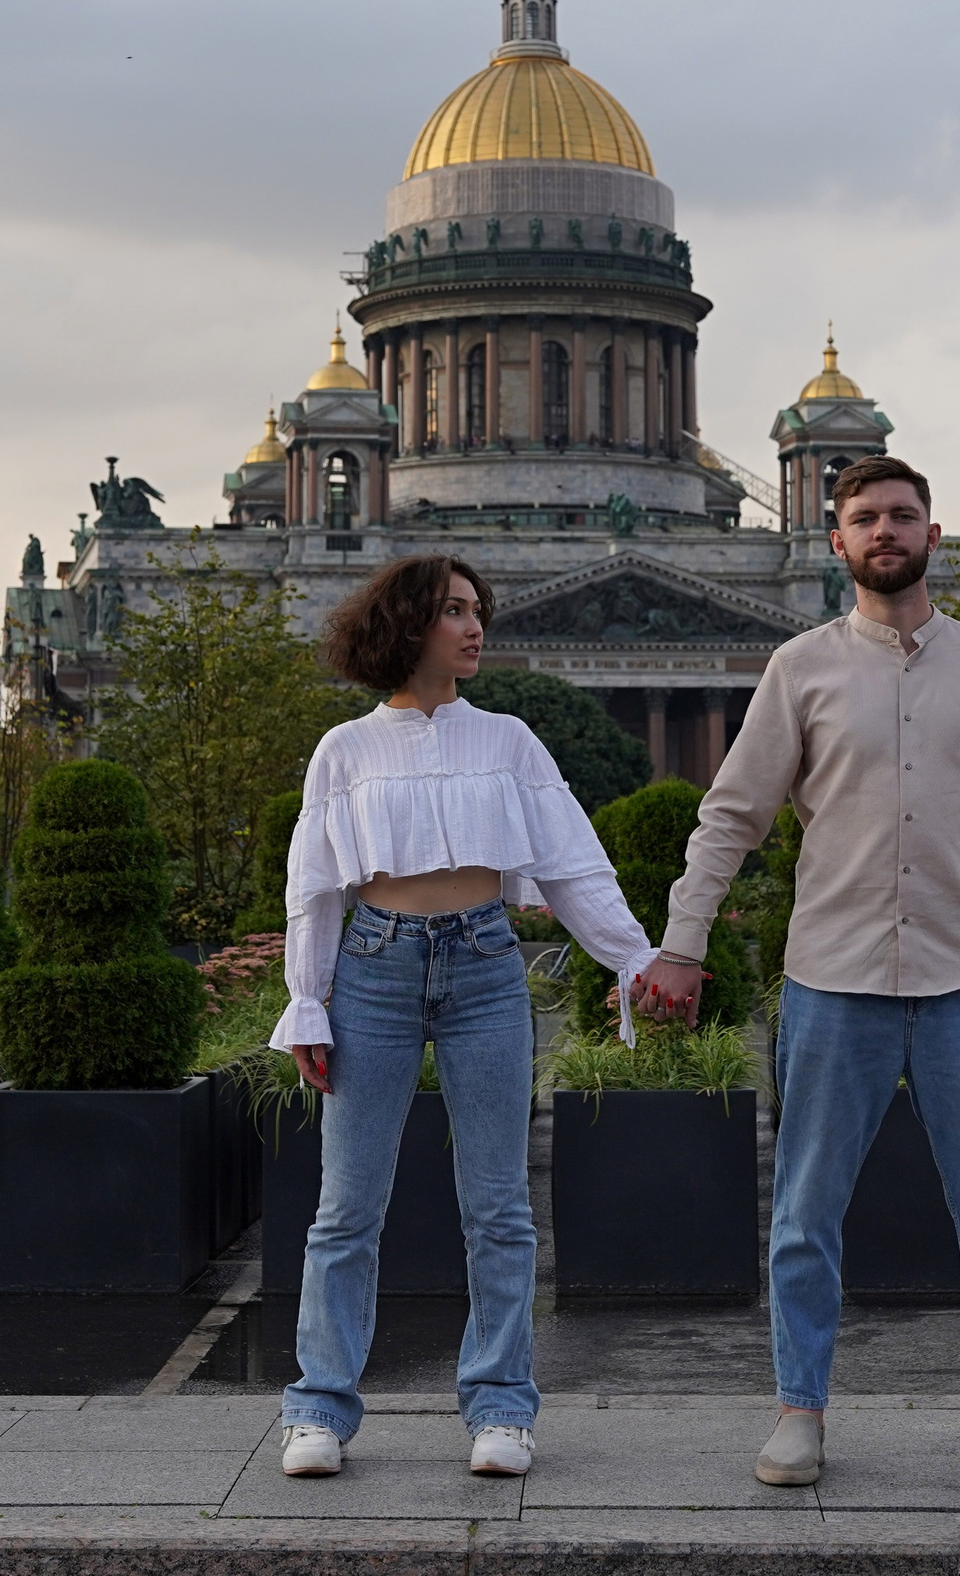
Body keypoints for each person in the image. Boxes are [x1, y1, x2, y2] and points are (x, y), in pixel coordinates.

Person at [637, 454, 960, 1492]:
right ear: (835, 542)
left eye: (902, 515)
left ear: (933, 536)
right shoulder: (797, 668)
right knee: (805, 1214)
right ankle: (800, 1410)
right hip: (831, 982)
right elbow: (732, 817)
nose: (884, 530)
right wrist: (682, 938)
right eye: (864, 519)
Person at [272, 554, 669, 1482]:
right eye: (455, 611)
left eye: (477, 610)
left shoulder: (510, 740)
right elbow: (314, 890)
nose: (476, 626)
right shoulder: (346, 749)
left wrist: (635, 957)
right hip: (372, 972)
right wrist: (307, 1004)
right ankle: (319, 1408)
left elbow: (574, 860)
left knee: (499, 1207)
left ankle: (500, 1408)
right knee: (344, 1209)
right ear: (409, 625)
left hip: (487, 965)